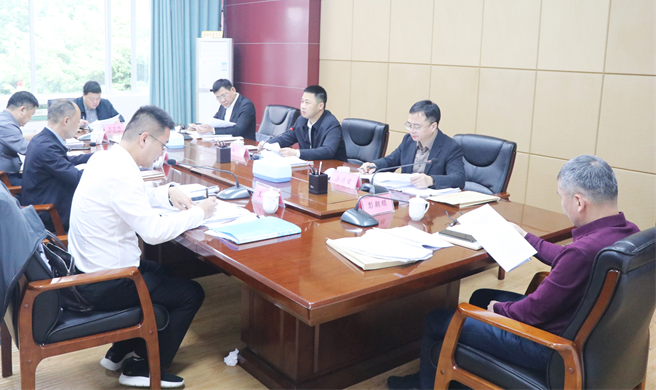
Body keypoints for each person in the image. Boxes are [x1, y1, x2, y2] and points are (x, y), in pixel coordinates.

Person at [387, 155, 640, 390]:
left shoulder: (582, 253)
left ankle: (425, 385)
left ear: (578, 202)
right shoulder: (628, 235)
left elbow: (533, 312)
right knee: (481, 297)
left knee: (438, 319)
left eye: (562, 197)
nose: (562, 204)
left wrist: (499, 309)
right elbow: (567, 259)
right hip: (592, 339)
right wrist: (525, 236)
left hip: (549, 346)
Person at [69, 105, 217, 388]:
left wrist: (168, 192)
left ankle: (120, 351)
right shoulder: (121, 173)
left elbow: (135, 196)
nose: (162, 153)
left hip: (88, 271)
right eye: (162, 145)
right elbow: (153, 232)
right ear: (144, 138)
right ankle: (145, 367)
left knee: (163, 271)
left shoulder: (107, 158)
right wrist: (200, 213)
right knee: (191, 293)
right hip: (106, 283)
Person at [21, 99, 93, 233]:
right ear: (66, 121)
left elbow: (63, 161)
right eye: (77, 121)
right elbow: (77, 178)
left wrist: (93, 157)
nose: (79, 126)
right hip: (50, 214)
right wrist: (104, 170)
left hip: (48, 200)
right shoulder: (47, 147)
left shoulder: (43, 138)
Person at [359, 100, 465, 189]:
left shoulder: (450, 147)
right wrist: (374, 165)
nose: (412, 130)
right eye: (409, 125)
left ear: (433, 126)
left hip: (433, 201)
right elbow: (391, 161)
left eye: (417, 127)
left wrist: (431, 180)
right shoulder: (409, 140)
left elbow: (458, 179)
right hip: (407, 196)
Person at [257, 85, 347, 161]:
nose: (303, 106)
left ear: (320, 106)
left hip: (331, 170)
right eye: (302, 101)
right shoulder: (301, 120)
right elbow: (286, 138)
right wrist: (267, 144)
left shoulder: (331, 124)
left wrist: (296, 153)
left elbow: (328, 151)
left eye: (307, 103)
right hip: (309, 167)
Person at [0, 91, 39, 186]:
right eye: (31, 114)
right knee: (45, 185)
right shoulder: (6, 125)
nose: (30, 118)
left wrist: (40, 135)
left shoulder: (0, 118)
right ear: (22, 110)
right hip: (0, 180)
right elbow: (30, 150)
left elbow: (19, 138)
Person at [188, 79, 256, 140]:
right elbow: (214, 121)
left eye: (224, 95)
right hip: (225, 143)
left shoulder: (246, 105)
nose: (222, 100)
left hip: (244, 144)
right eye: (218, 98)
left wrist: (212, 130)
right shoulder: (224, 105)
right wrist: (198, 127)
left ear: (233, 90)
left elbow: (238, 130)